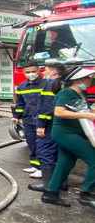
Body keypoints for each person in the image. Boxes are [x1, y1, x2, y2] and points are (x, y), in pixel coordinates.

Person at [41, 66, 95, 209]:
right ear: (78, 79)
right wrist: (87, 115)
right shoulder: (66, 93)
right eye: (88, 77)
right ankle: (87, 193)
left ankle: (50, 194)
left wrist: (90, 112)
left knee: (65, 163)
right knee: (94, 159)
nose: (90, 79)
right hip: (65, 133)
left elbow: (85, 109)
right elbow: (59, 112)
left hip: (74, 132)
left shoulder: (81, 92)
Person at [29, 59, 65, 191]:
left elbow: (47, 106)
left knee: (45, 152)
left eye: (46, 69)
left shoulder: (51, 84)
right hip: (58, 124)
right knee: (57, 153)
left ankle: (48, 185)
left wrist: (41, 125)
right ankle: (60, 183)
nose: (44, 72)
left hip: (48, 125)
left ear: (54, 72)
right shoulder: (63, 83)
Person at [12, 60, 44, 178]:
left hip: (42, 120)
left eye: (33, 71)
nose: (31, 74)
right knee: (31, 142)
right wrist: (16, 116)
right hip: (29, 119)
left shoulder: (45, 85)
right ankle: (35, 166)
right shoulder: (22, 86)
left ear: (39, 70)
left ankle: (42, 168)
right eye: (28, 72)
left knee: (42, 145)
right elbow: (20, 104)